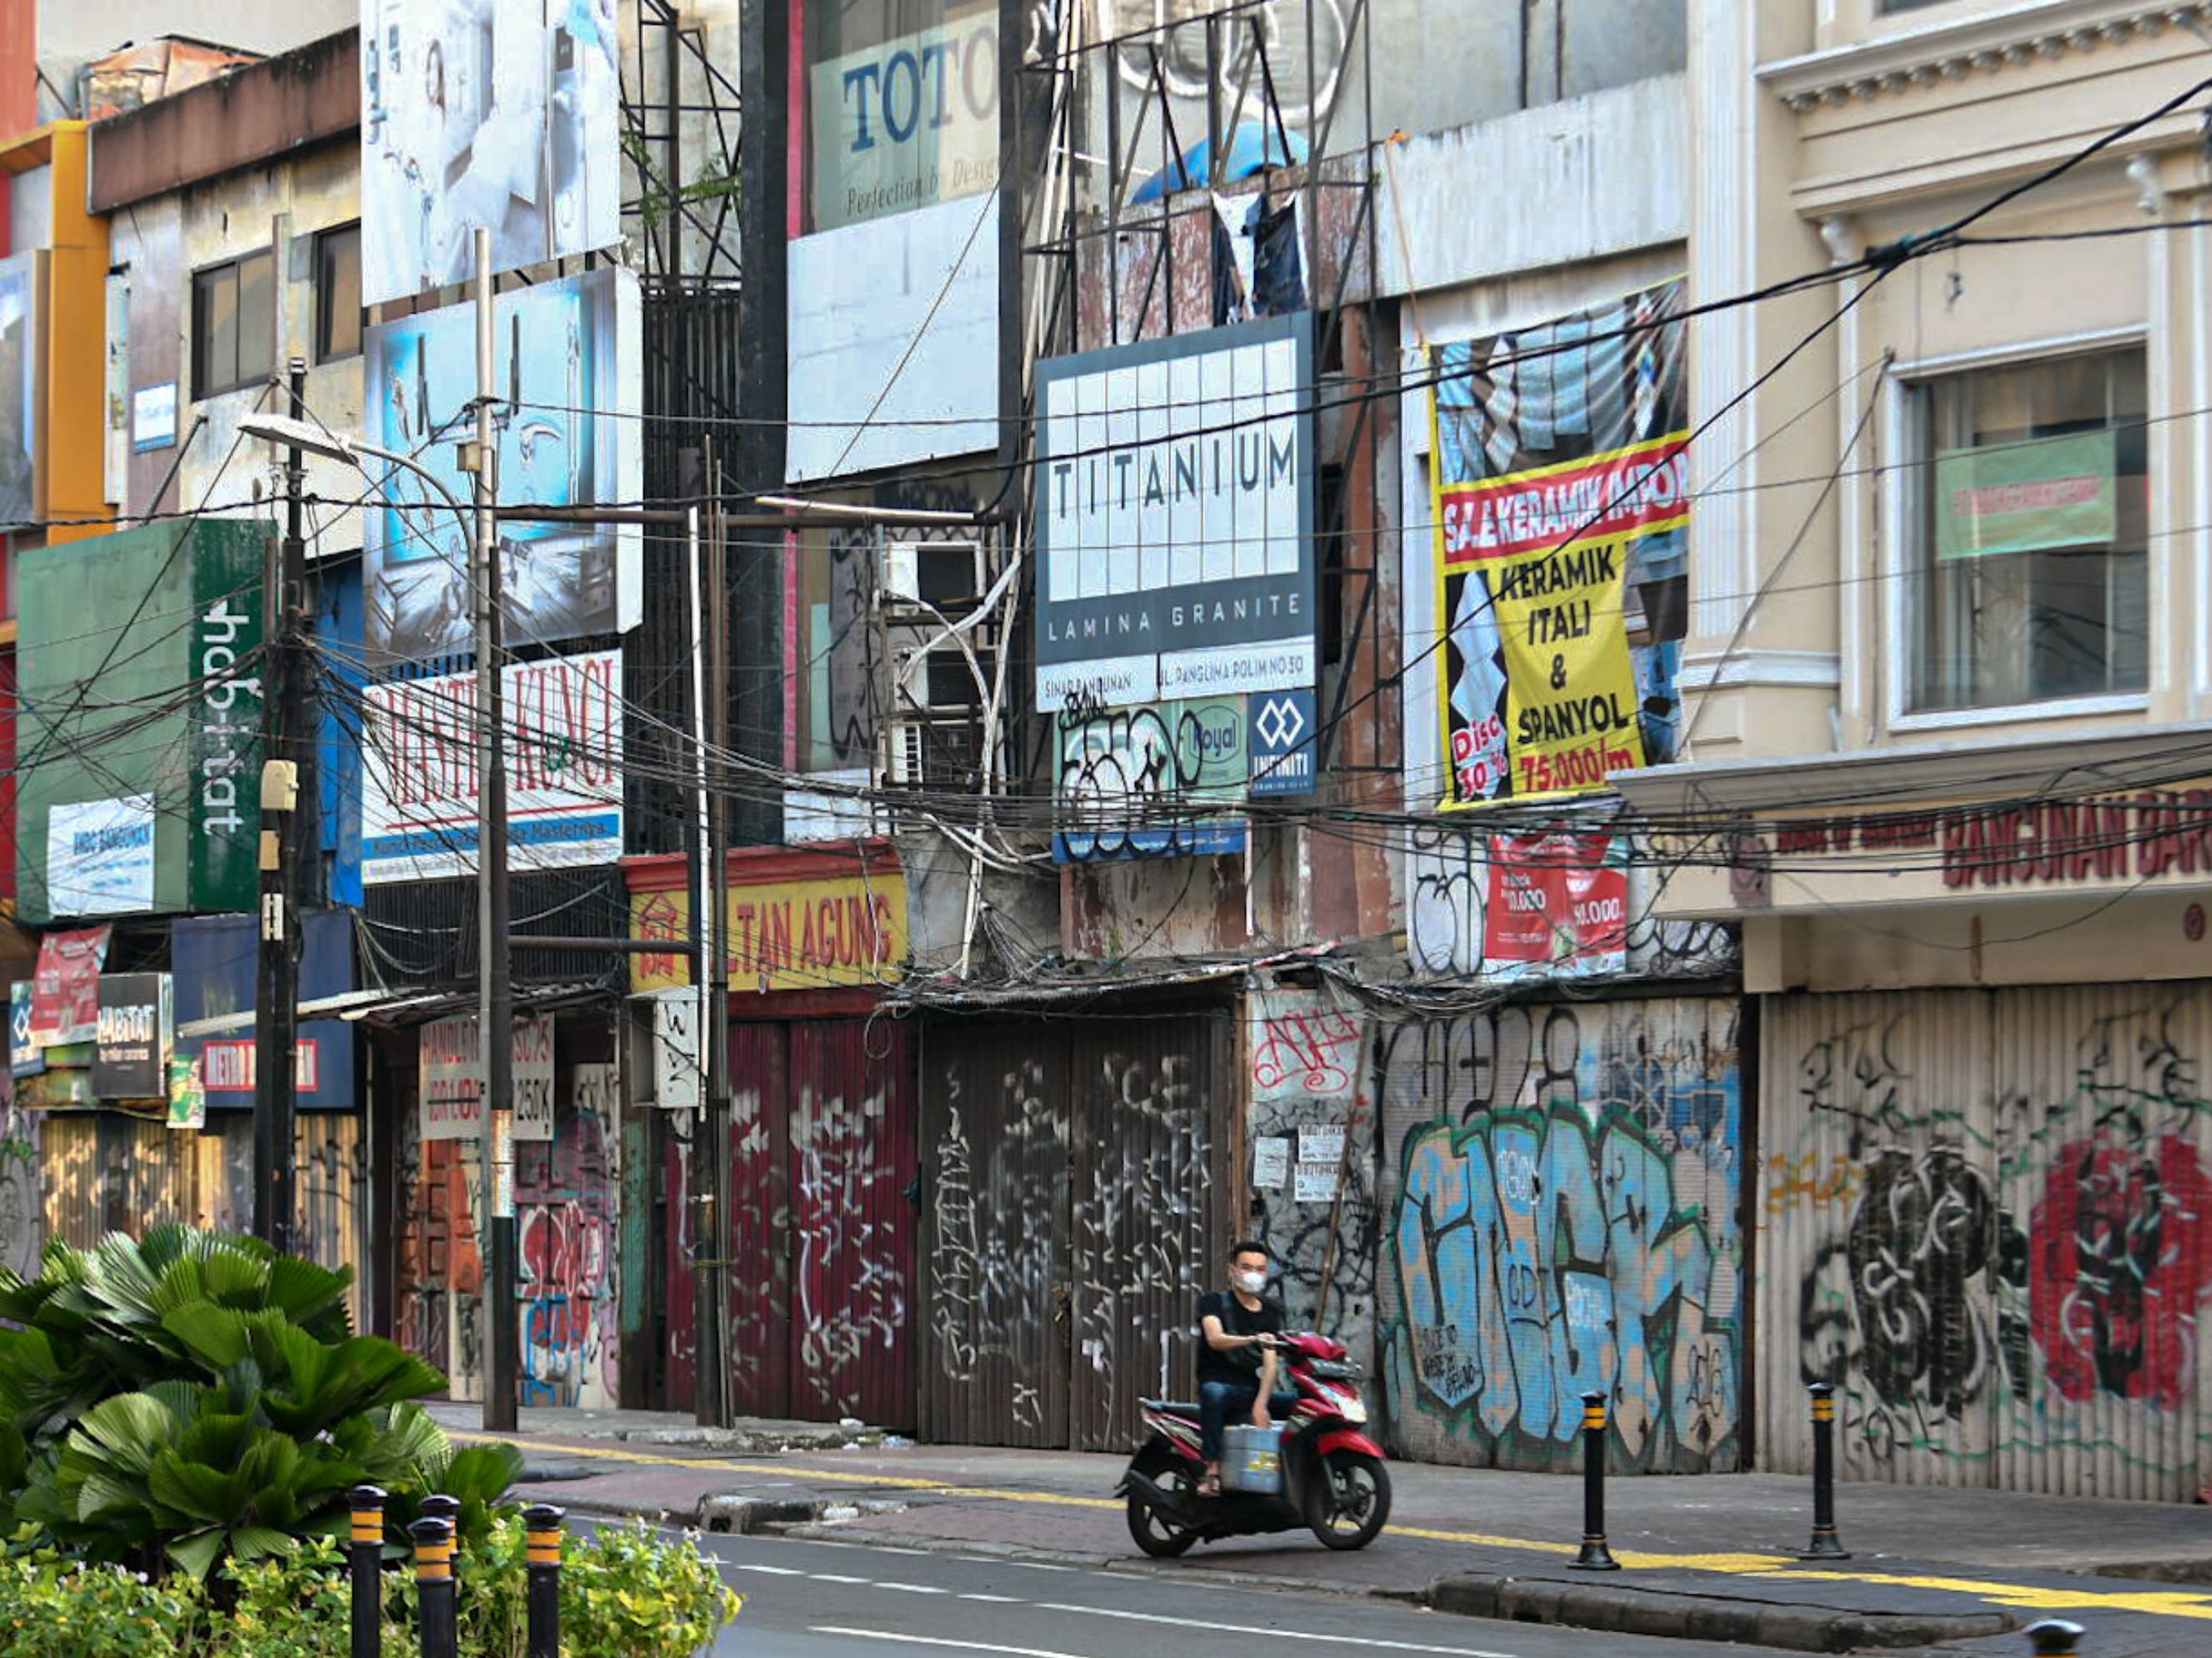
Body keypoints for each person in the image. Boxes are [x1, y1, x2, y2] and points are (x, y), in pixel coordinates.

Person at [1195, 1240, 1296, 1497]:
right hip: (1218, 1385)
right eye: (1246, 1267)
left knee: (1303, 1405)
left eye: (1260, 1269)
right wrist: (1252, 1339)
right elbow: (1215, 1338)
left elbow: (1271, 1365)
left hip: (1249, 1392)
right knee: (1214, 1393)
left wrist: (1261, 1404)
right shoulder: (1212, 1302)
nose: (1253, 1274)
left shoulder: (1270, 1314)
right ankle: (1212, 1471)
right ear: (1232, 1270)